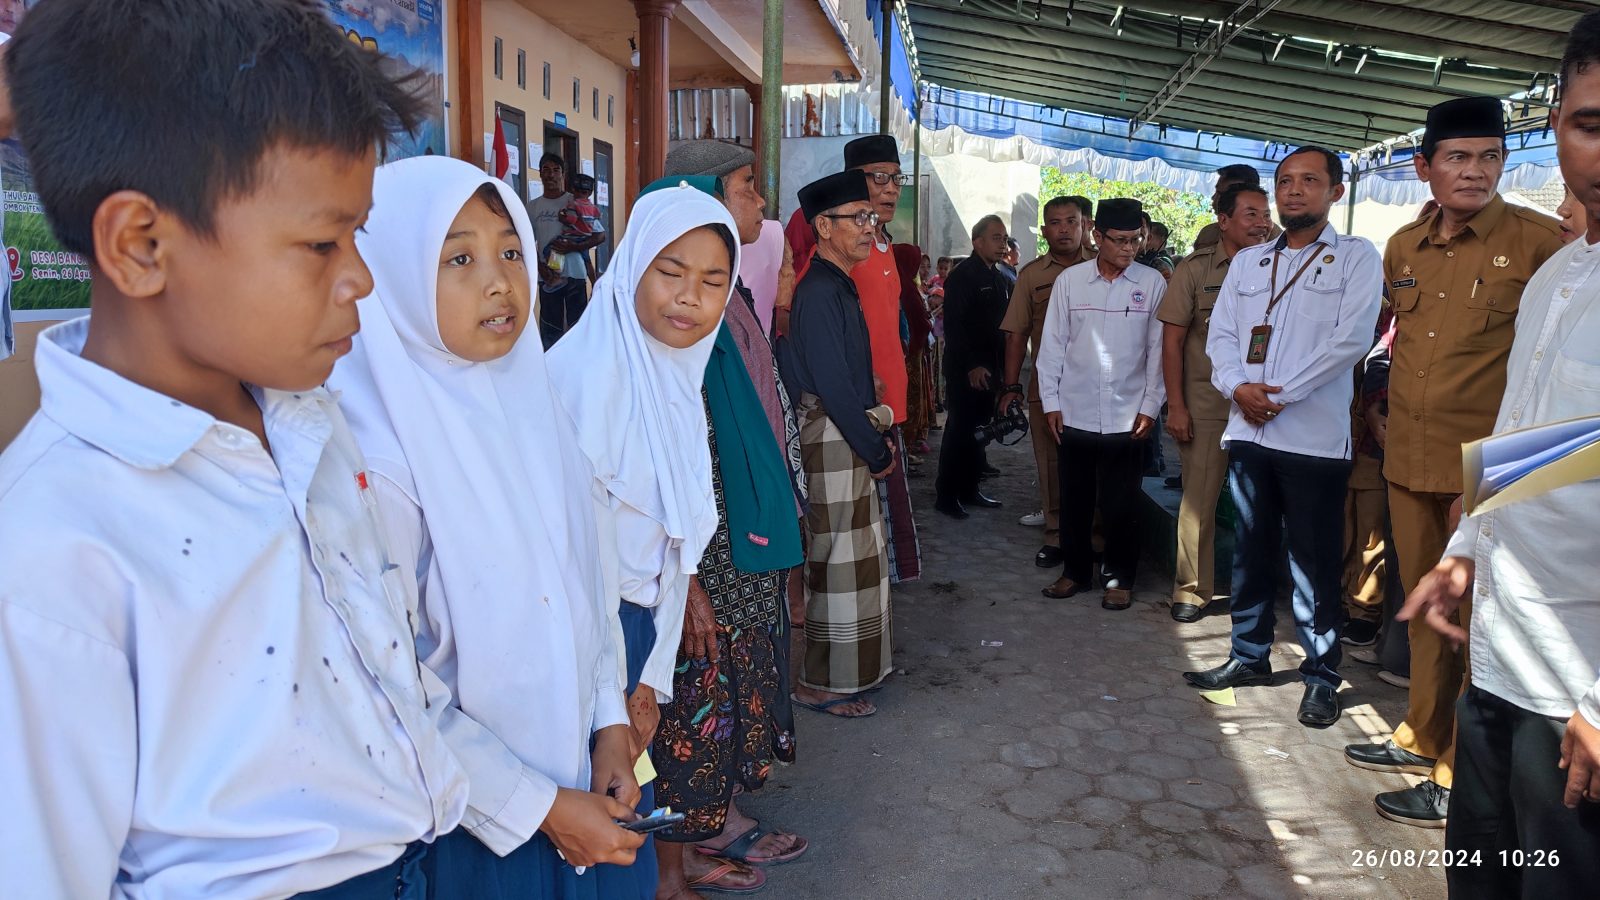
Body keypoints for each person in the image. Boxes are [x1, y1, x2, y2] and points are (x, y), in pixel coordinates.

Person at [0, 3, 471, 896]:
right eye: (323, 243)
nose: (361, 279)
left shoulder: (311, 430)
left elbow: (393, 684)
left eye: (359, 236)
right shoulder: (49, 553)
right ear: (142, 245)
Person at [329, 157, 645, 898]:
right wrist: (537, 807)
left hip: (579, 787)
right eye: (460, 259)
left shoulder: (534, 401)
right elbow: (388, 681)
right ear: (396, 273)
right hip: (472, 827)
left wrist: (607, 723)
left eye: (510, 251)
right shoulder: (377, 454)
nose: (500, 282)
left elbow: (588, 585)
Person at [1400, 18, 1600, 895]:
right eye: (1593, 124)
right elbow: (1534, 433)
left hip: (1581, 692)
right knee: (1483, 872)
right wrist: (1463, 552)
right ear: (1558, 123)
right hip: (1501, 646)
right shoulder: (1565, 274)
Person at [1341, 96, 1564, 829]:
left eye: (1490, 157)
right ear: (1424, 167)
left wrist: (1515, 473)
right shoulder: (1403, 247)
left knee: (1478, 624)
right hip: (1409, 457)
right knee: (1427, 608)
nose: (1475, 172)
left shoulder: (1541, 243)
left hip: (1490, 475)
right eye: (1458, 158)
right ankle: (1423, 732)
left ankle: (1457, 773)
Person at [543, 183, 738, 897]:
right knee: (585, 840)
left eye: (713, 281)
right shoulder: (579, 383)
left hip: (635, 642)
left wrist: (650, 682)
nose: (689, 297)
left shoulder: (675, 384)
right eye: (670, 272)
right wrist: (615, 702)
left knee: (624, 827)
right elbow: (577, 566)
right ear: (629, 269)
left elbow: (672, 554)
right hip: (577, 645)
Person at [1184, 146, 1383, 729]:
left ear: (1335, 192)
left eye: (1310, 181)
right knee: (1250, 549)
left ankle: (1320, 674)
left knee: (1314, 560)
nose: (1295, 191)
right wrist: (1236, 387)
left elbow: (1350, 341)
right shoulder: (1249, 263)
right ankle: (1248, 655)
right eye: (1286, 181)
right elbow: (1220, 335)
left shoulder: (1355, 258)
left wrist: (1278, 394)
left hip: (1314, 440)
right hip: (1249, 430)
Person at [658, 143, 811, 892]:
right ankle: (694, 836)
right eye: (748, 187)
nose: (759, 201)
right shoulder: (672, 324)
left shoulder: (732, 302)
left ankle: (708, 824)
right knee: (700, 685)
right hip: (703, 550)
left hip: (734, 535)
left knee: (734, 672)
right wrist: (686, 576)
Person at [780, 170, 896, 719]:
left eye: (871, 217)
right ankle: (817, 684)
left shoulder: (836, 282)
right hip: (832, 435)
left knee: (853, 560)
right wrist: (874, 449)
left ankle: (848, 673)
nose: (869, 227)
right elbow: (829, 384)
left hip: (844, 429)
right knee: (835, 561)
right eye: (858, 217)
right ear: (823, 226)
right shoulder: (820, 288)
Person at [1036, 199, 1166, 611]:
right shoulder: (1071, 282)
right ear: (1098, 236)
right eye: (1121, 241)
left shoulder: (1152, 284)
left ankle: (1119, 578)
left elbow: (1158, 351)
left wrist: (1151, 405)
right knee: (1074, 498)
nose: (1130, 249)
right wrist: (1050, 401)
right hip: (1073, 410)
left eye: (1136, 240)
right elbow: (1052, 345)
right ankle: (1074, 572)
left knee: (1121, 502)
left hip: (1128, 415)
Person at [1158, 184, 1273, 623]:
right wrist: (1178, 406)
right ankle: (1191, 589)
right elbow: (1173, 341)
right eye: (1250, 214)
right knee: (1198, 503)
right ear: (1224, 221)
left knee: (1261, 506)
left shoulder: (1286, 265)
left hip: (1266, 406)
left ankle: (1254, 593)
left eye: (1265, 214)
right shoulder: (1195, 269)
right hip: (1207, 403)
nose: (1261, 223)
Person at [998, 195, 1095, 566]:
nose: (1065, 229)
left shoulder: (1106, 268)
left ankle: (1094, 537)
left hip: (1096, 389)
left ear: (1085, 224)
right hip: (1048, 388)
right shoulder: (1032, 276)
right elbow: (1016, 334)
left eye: (1071, 221)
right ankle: (1056, 536)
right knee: (1051, 465)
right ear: (1044, 230)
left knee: (1095, 466)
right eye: (1055, 222)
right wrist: (1011, 387)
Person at [935, 215, 1012, 519]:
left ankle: (970, 488)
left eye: (1004, 238)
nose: (1002, 243)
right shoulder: (963, 276)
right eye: (996, 237)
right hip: (965, 369)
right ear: (977, 241)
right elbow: (955, 327)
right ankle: (947, 494)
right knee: (959, 429)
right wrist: (971, 365)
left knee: (981, 431)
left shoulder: (1000, 276)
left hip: (990, 369)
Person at [528, 152, 603, 348]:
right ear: (540, 174)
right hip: (548, 278)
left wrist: (573, 246)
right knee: (549, 330)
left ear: (563, 174)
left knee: (577, 329)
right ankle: (549, 375)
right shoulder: (533, 207)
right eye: (546, 170)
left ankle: (577, 374)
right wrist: (540, 268)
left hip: (575, 276)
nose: (550, 175)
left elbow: (599, 236)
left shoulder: (577, 201)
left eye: (555, 170)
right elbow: (526, 242)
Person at [1193, 164, 1282, 251]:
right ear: (1223, 221)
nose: (1213, 197)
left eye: (1221, 193)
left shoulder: (1281, 242)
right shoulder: (1208, 235)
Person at [545, 172, 604, 286]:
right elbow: (598, 216)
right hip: (584, 238)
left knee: (552, 249)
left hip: (571, 237)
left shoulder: (574, 204)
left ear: (573, 189)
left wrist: (562, 217)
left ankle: (556, 275)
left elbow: (571, 220)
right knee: (587, 262)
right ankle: (595, 283)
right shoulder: (592, 207)